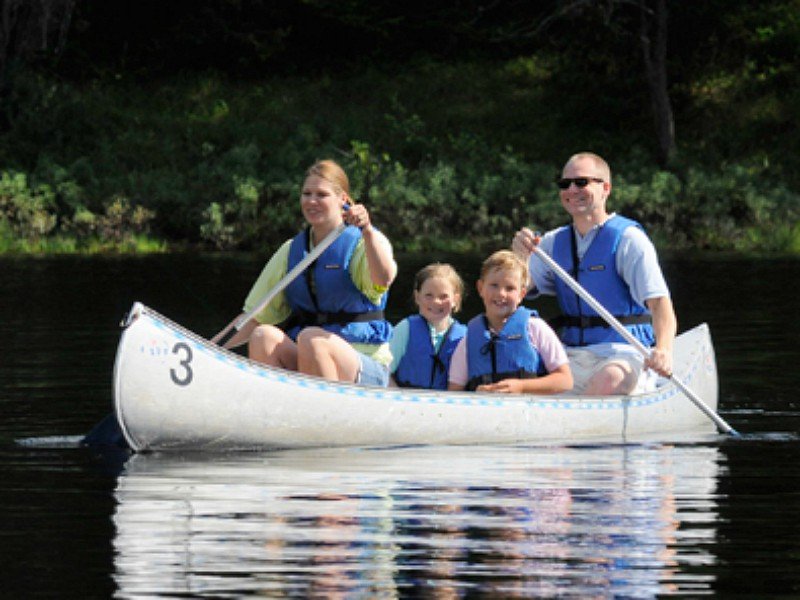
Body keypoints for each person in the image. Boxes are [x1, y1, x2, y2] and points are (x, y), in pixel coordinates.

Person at [212, 159, 397, 386]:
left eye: (321, 194)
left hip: (364, 366)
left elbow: (384, 278)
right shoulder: (291, 251)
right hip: (310, 356)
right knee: (264, 337)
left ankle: (330, 415)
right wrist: (206, 349)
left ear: (343, 200)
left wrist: (367, 230)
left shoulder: (363, 242)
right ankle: (280, 414)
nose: (311, 201)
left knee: (312, 339)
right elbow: (253, 319)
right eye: (306, 194)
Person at [512, 151, 676, 395]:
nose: (572, 190)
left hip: (622, 353)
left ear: (605, 188)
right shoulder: (551, 243)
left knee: (608, 380)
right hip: (570, 352)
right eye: (565, 184)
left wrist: (663, 350)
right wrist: (520, 257)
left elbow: (660, 305)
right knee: (515, 369)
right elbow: (516, 289)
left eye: (581, 182)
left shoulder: (629, 240)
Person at [448, 250, 572, 394]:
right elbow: (455, 392)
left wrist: (521, 387)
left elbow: (565, 380)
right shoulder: (468, 341)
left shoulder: (536, 328)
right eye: (494, 285)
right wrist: (476, 395)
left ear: (521, 294)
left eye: (510, 288)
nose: (501, 293)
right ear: (480, 288)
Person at [389, 263, 467, 390]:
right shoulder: (405, 329)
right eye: (429, 295)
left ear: (456, 300)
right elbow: (383, 371)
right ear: (417, 297)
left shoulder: (465, 337)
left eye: (443, 296)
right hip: (406, 401)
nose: (436, 301)